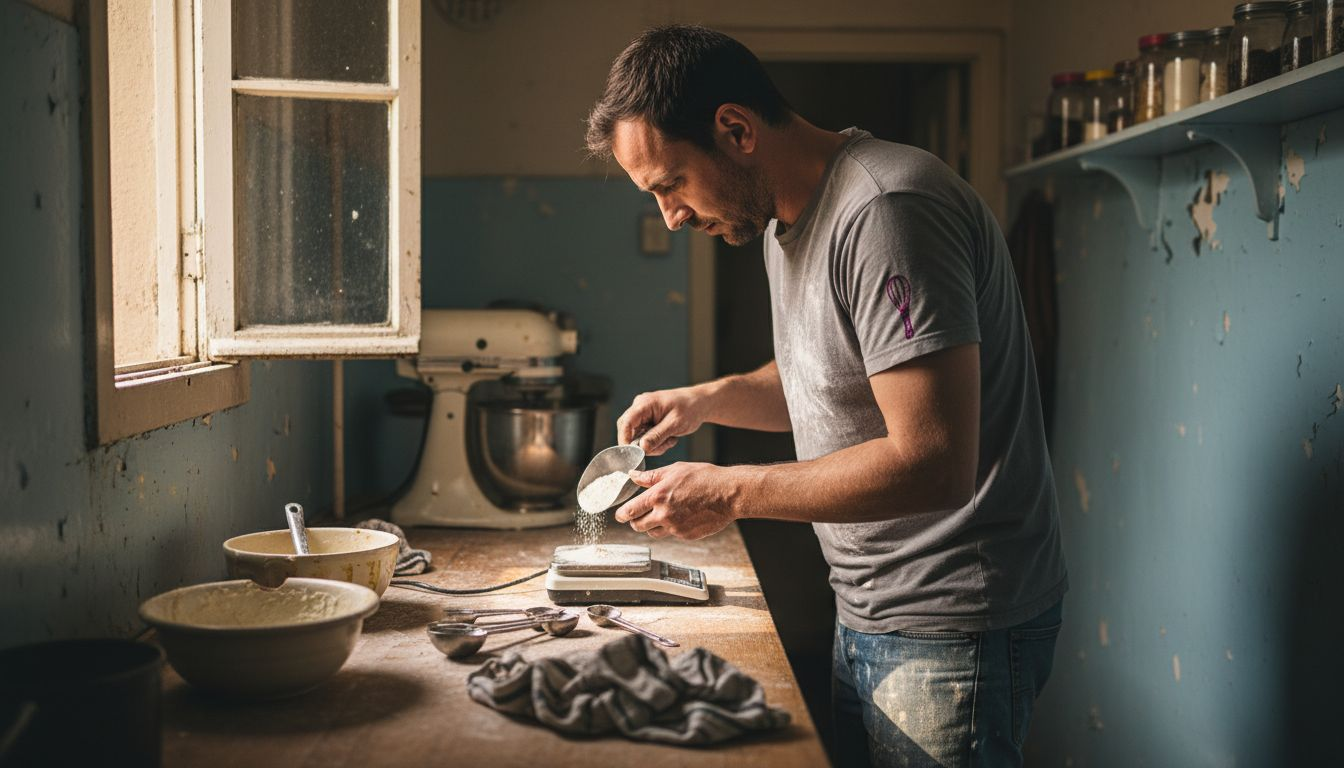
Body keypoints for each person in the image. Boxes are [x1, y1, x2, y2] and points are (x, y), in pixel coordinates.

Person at [585, 25, 1067, 768]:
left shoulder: (886, 210)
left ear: (735, 129)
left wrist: (733, 491)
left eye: (670, 183)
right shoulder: (786, 219)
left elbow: (934, 460)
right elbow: (840, 379)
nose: (671, 217)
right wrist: (708, 399)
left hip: (948, 623)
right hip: (872, 605)